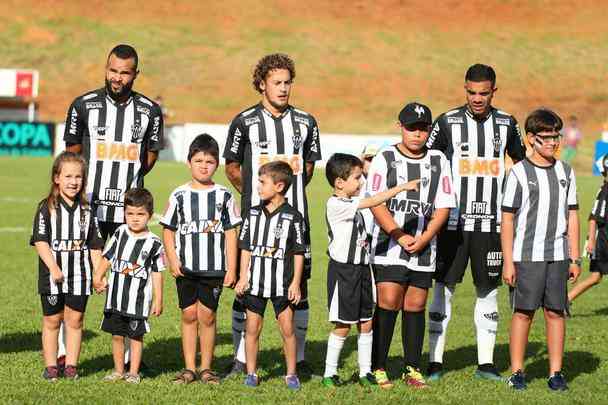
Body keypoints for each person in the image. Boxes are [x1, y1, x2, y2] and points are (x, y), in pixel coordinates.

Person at [63, 43, 164, 369]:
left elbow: (149, 157)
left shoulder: (149, 111)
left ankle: (131, 357)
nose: (117, 77)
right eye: (112, 70)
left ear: (136, 73)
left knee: (132, 280)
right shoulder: (83, 105)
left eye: (125, 72)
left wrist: (128, 184)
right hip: (89, 211)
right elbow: (74, 152)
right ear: (105, 68)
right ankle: (66, 350)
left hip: (129, 214)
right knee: (77, 278)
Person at [425, 64, 526, 380]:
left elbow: (522, 165)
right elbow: (429, 163)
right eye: (472, 92)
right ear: (464, 89)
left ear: (494, 90)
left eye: (484, 93)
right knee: (443, 287)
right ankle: (435, 362)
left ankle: (486, 364)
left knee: (488, 290)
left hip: (492, 224)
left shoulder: (507, 123)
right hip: (452, 223)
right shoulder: (447, 122)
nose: (477, 98)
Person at [223, 53, 321, 376]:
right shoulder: (244, 121)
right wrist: (253, 194)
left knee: (299, 288)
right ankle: (241, 359)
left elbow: (307, 169)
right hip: (256, 223)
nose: (283, 88)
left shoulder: (306, 122)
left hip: (296, 222)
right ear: (261, 84)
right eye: (276, 82)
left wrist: (286, 202)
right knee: (247, 286)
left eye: (287, 82)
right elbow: (233, 167)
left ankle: (301, 358)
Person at [368, 103, 455, 389]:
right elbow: (376, 202)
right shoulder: (386, 157)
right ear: (400, 127)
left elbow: (443, 205)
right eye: (411, 128)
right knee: (389, 300)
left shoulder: (439, 159)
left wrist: (426, 237)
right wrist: (398, 234)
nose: (417, 134)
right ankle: (378, 367)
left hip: (424, 245)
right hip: (389, 245)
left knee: (415, 304)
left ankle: (412, 368)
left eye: (423, 128)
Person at [321, 153, 420, 389]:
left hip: (364, 270)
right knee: (343, 325)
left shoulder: (356, 202)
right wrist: (402, 187)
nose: (361, 182)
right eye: (357, 178)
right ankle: (330, 373)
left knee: (366, 322)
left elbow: (374, 206)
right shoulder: (335, 204)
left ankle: (366, 372)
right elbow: (373, 201)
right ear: (339, 182)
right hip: (344, 273)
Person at [501, 108, 580, 391]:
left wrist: (575, 256)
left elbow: (572, 215)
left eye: (556, 137)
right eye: (546, 138)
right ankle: (517, 371)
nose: (553, 143)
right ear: (531, 139)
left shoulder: (565, 171)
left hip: (558, 255)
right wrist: (508, 262)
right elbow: (507, 219)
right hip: (526, 256)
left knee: (556, 312)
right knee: (524, 312)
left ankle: (555, 373)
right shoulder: (519, 173)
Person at [160, 134, 241, 384]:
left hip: (214, 268)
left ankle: (206, 368)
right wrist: (172, 260)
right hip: (186, 267)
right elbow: (168, 230)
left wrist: (232, 268)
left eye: (209, 161)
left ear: (216, 164)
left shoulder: (224, 195)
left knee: (207, 316)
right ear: (189, 163)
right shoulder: (179, 195)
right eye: (198, 160)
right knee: (188, 315)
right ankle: (188, 368)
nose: (203, 165)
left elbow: (231, 232)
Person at [30, 151, 104, 381]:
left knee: (75, 320)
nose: (73, 182)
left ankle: (71, 365)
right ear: (57, 178)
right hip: (53, 275)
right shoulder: (46, 207)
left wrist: (99, 274)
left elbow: (94, 245)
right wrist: (53, 267)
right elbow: (40, 242)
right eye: (68, 176)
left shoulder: (88, 211)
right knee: (52, 320)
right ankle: (51, 366)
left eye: (78, 177)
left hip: (79, 276)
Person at [235, 161, 306, 390]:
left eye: (263, 182)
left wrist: (295, 283)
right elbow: (245, 247)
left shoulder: (293, 217)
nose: (258, 186)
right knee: (252, 329)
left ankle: (291, 374)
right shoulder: (252, 213)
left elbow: (298, 252)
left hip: (281, 285)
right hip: (255, 283)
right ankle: (252, 373)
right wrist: (243, 276)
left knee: (287, 329)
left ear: (279, 186)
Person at [93, 188, 164, 384]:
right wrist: (98, 275)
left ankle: (133, 372)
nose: (134, 219)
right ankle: (118, 370)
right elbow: (107, 257)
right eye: (130, 214)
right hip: (115, 298)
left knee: (135, 337)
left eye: (140, 214)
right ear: (124, 214)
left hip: (138, 301)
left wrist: (158, 298)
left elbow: (157, 272)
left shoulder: (154, 243)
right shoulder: (120, 232)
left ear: (149, 215)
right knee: (117, 336)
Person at [568, 154, 608, 304]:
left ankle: (567, 299)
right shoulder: (605, 191)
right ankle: (566, 299)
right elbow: (594, 217)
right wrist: (591, 240)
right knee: (595, 277)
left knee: (595, 277)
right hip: (602, 242)